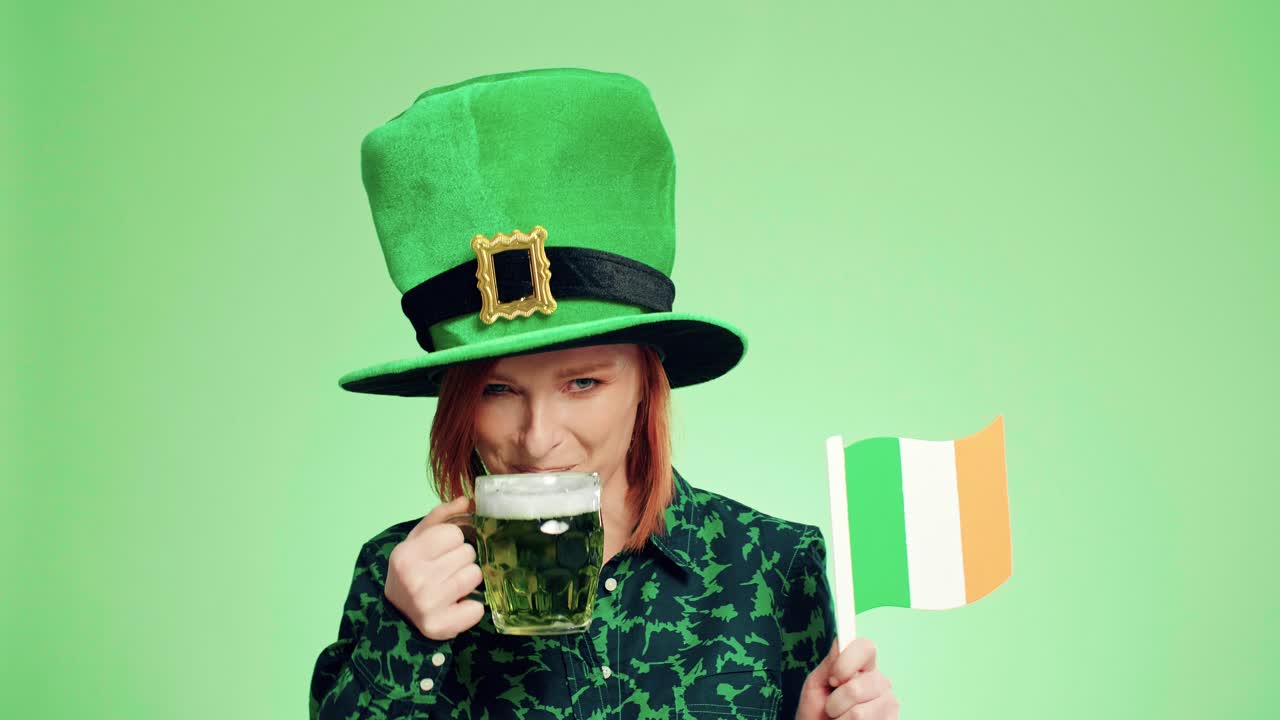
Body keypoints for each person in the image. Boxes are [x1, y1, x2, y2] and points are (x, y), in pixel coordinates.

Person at [311, 68, 900, 720]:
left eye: (583, 382)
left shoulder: (772, 572)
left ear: (649, 382)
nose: (538, 437)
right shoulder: (395, 582)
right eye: (498, 389)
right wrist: (405, 637)